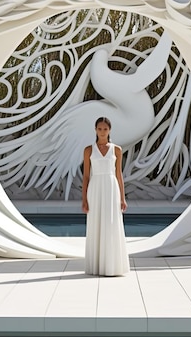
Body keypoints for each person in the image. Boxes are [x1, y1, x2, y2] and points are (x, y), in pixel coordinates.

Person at [81, 116, 130, 276]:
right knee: (96, 224)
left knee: (111, 223)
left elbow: (119, 174)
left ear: (110, 130)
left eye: (105, 129)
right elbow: (86, 176)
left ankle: (112, 266)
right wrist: (84, 199)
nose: (102, 132)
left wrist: (122, 197)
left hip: (111, 188)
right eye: (100, 129)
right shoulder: (88, 150)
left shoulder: (117, 150)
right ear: (95, 130)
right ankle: (96, 266)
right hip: (95, 188)